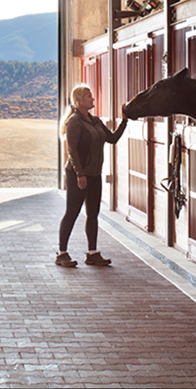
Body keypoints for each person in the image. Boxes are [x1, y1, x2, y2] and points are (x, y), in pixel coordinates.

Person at [56, 83, 128, 267]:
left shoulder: (95, 121)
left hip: (94, 175)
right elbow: (72, 151)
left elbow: (112, 138)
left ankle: (92, 253)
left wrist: (125, 120)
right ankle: (62, 253)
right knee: (72, 213)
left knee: (93, 214)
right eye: (89, 96)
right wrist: (80, 175)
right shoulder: (74, 122)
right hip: (77, 175)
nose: (93, 99)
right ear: (79, 100)